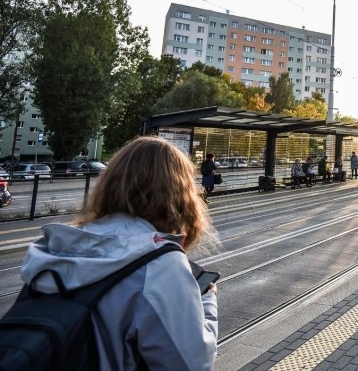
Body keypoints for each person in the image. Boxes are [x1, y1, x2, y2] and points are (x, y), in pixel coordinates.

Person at [19, 136, 218, 370]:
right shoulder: (159, 263)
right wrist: (207, 300)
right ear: (180, 194)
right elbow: (192, 364)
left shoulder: (59, 246)